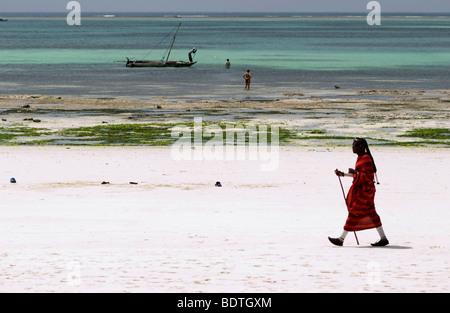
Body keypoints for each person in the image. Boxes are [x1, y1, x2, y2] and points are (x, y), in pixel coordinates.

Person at [329, 138, 389, 247]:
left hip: (366, 191)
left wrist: (355, 172)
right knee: (371, 213)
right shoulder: (360, 158)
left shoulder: (366, 159)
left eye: (355, 145)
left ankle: (341, 239)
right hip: (364, 190)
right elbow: (358, 174)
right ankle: (383, 239)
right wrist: (343, 174)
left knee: (354, 211)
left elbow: (368, 177)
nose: (353, 147)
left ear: (361, 146)